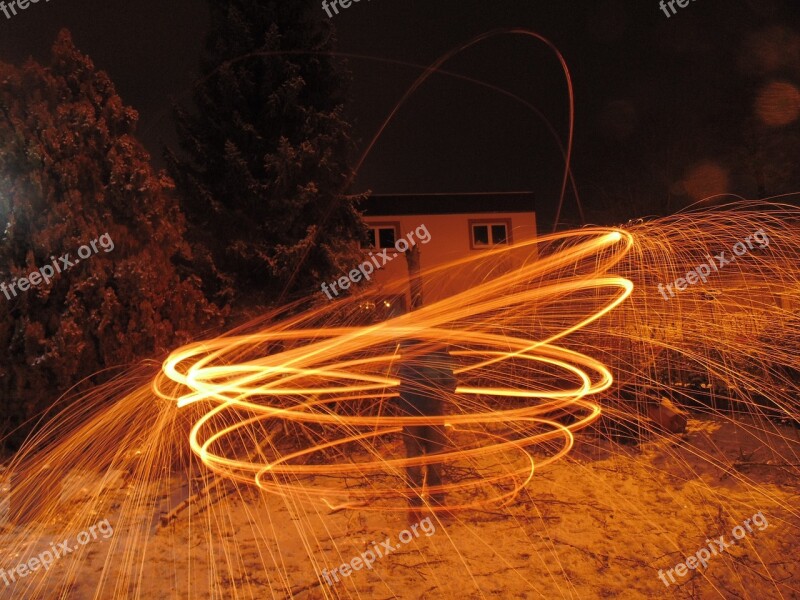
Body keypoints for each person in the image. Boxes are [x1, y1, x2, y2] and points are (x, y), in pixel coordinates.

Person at [396, 338, 456, 510]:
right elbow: (403, 379)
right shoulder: (410, 350)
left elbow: (449, 381)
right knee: (417, 460)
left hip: (429, 411)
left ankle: (435, 502)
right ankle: (417, 506)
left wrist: (446, 389)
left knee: (432, 459)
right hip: (414, 412)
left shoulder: (440, 352)